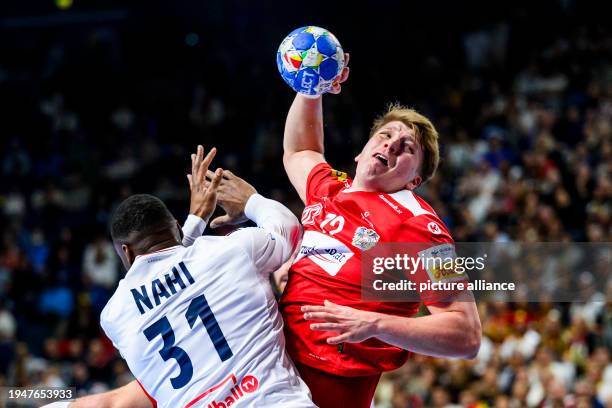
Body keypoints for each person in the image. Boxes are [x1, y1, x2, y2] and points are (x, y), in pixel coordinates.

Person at [280, 54, 482, 407]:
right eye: (386, 135)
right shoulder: (329, 189)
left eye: (407, 148)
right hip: (273, 362)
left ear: (414, 180)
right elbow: (301, 149)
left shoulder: (419, 226)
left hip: (329, 387)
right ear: (360, 153)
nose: (391, 144)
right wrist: (312, 87)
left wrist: (374, 324)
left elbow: (465, 334)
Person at [44, 146, 313, 407]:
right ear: (174, 225)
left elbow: (174, 285)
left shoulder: (114, 316)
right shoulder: (232, 250)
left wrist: (195, 223)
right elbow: (288, 230)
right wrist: (251, 200)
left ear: (125, 253)